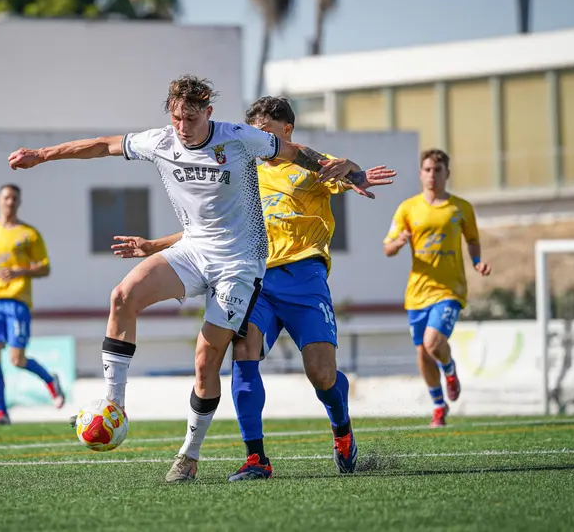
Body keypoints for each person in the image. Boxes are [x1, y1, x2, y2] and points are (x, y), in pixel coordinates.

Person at [7, 75, 369, 482]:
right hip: (194, 251)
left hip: (241, 264)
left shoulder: (237, 138)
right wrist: (42, 154)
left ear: (208, 114)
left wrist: (346, 170)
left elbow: (294, 150)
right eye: (177, 117)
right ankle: (115, 404)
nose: (183, 127)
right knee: (123, 296)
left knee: (206, 361)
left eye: (191, 118)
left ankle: (189, 454)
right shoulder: (161, 141)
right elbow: (102, 146)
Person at [111, 96, 397, 480]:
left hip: (304, 280)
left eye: (264, 133)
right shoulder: (245, 168)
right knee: (243, 353)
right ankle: (256, 458)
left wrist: (353, 171)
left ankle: (341, 427)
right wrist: (153, 246)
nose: (257, 140)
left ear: (286, 131)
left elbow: (344, 170)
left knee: (322, 374)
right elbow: (208, 230)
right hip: (255, 277)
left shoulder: (307, 164)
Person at [383, 149, 491, 428]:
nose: (432, 175)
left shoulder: (461, 208)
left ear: (447, 174)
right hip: (417, 292)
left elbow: (473, 240)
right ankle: (438, 406)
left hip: (449, 290)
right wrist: (399, 242)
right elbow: (388, 248)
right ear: (421, 173)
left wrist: (477, 261)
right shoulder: (408, 208)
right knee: (422, 352)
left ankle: (450, 369)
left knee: (433, 343)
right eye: (428, 170)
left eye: (438, 170)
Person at [0, 184, 65, 427]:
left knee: (16, 359)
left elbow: (45, 268)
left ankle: (50, 380)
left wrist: (17, 272)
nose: (10, 202)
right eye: (6, 197)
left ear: (19, 202)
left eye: (14, 198)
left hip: (18, 301)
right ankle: (1, 412)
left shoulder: (29, 234)